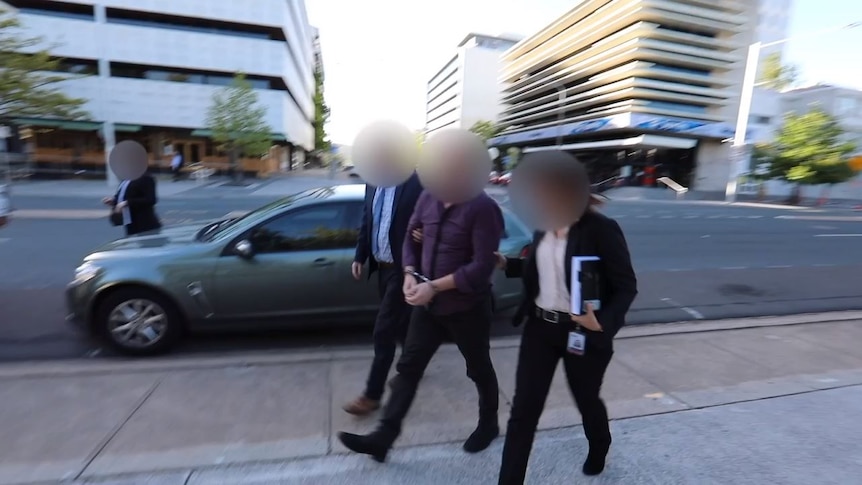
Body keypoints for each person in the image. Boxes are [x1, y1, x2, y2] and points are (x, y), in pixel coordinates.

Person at [338, 169, 505, 462]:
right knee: (408, 369)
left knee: (478, 369)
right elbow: (409, 242)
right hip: (428, 308)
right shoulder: (428, 198)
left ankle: (489, 424)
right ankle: (383, 438)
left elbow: (481, 266)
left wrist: (433, 286)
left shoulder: (482, 208)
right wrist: (409, 275)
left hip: (468, 308)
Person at [496, 151, 638, 484]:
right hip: (539, 329)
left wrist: (600, 321)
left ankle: (599, 444)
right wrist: (507, 263)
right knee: (523, 412)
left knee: (586, 398)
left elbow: (626, 286)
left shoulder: (601, 229)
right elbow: (541, 270)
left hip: (583, 331)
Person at [344, 171, 423, 415]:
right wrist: (360, 255)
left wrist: (427, 230)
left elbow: (437, 210)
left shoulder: (416, 181)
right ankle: (412, 366)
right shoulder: (373, 181)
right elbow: (368, 219)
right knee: (402, 325)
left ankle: (372, 394)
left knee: (384, 331)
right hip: (383, 267)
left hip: (404, 267)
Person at [103, 171, 161, 237]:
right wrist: (113, 200)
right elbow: (124, 195)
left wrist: (127, 203)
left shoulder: (146, 177)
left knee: (144, 242)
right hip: (129, 220)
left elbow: (151, 199)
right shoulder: (126, 179)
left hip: (144, 220)